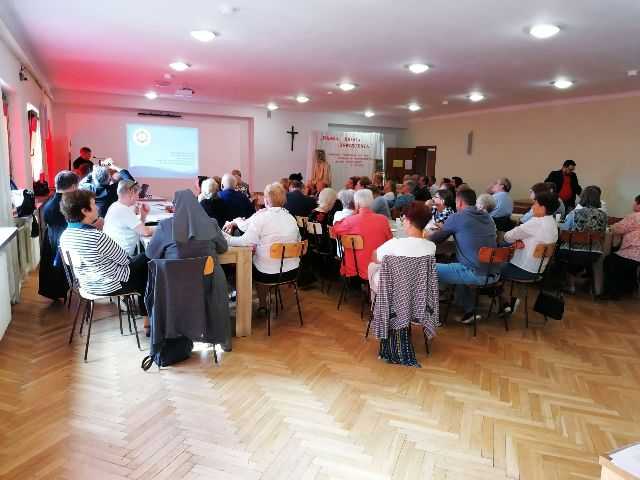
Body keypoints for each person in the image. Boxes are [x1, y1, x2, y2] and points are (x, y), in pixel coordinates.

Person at [146, 189, 230, 344]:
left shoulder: (165, 226)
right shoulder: (211, 223)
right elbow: (223, 248)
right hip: (208, 285)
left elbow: (151, 253)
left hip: (175, 290)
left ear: (174, 207)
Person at [58, 189, 148, 316]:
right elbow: (125, 260)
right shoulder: (95, 237)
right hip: (109, 285)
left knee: (144, 261)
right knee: (147, 260)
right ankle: (147, 315)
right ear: (84, 211)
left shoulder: (64, 236)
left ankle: (146, 315)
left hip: (86, 284)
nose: (97, 208)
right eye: (93, 204)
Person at [224, 183, 300, 308]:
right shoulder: (291, 218)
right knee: (261, 258)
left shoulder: (261, 217)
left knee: (248, 262)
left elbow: (245, 242)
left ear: (266, 200)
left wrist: (226, 238)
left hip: (267, 274)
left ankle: (262, 304)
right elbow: (298, 240)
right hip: (292, 271)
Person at [427, 189, 498, 324]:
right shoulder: (487, 217)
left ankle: (431, 315)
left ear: (459, 202)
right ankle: (468, 310)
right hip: (493, 272)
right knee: (457, 261)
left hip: (474, 272)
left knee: (426, 267)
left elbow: (436, 239)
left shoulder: (457, 217)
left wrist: (425, 235)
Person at [498, 191, 560, 313]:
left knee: (491, 269)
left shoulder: (536, 222)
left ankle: (505, 302)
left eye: (535, 204)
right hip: (538, 270)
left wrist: (518, 239)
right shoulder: (553, 223)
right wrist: (521, 240)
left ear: (543, 207)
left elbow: (508, 237)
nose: (532, 207)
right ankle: (510, 300)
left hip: (523, 269)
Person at [368, 202, 436, 293]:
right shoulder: (432, 246)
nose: (403, 221)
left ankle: (378, 300)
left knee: (372, 266)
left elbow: (375, 257)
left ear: (408, 221)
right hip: (419, 289)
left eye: (403, 219)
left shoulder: (395, 243)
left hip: (395, 289)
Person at [333, 189, 392, 281]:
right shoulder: (383, 219)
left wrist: (352, 214)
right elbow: (390, 239)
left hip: (356, 266)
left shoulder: (349, 221)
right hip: (379, 266)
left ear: (356, 204)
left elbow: (334, 231)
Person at [558, 185, 608, 294]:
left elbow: (564, 230)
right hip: (594, 252)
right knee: (586, 260)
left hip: (572, 250)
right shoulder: (603, 215)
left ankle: (570, 285)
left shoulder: (574, 213)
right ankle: (590, 285)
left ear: (583, 197)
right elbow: (603, 232)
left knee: (561, 253)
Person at [38, 170, 79, 301]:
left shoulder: (50, 202)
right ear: (73, 186)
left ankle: (56, 291)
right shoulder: (67, 205)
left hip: (52, 239)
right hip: (63, 243)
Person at [602, 194, 640, 299]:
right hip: (635, 254)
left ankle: (613, 292)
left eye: (635, 202)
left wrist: (611, 226)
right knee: (627, 264)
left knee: (610, 261)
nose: (633, 204)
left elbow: (618, 228)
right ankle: (628, 288)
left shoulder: (635, 216)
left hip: (633, 252)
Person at [103, 180, 153, 256]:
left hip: (114, 254)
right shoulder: (123, 210)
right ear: (131, 192)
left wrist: (143, 216)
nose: (138, 197)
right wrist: (163, 228)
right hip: (121, 257)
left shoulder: (115, 205)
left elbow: (139, 229)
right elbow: (146, 232)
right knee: (151, 255)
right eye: (137, 194)